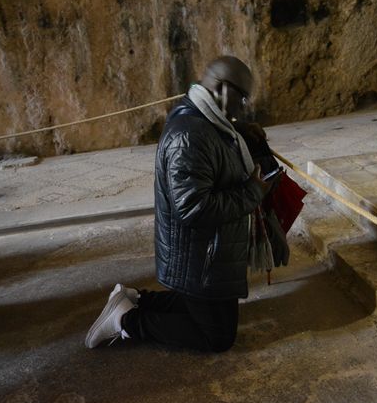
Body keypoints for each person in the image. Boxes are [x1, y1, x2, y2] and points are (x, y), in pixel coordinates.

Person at [86, 56, 272, 352]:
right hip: (197, 257)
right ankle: (126, 321)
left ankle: (136, 299)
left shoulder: (205, 117)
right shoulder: (189, 135)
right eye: (243, 98)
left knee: (211, 312)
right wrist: (252, 192)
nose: (244, 106)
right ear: (224, 89)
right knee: (217, 338)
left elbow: (215, 156)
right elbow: (194, 208)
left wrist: (242, 133)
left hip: (205, 252)